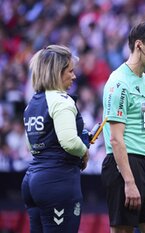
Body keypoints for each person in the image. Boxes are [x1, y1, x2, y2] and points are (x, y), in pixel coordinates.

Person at [101, 21, 145, 233]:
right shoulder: (118, 82)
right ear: (139, 45)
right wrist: (129, 181)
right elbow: (115, 139)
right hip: (124, 166)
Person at [21, 45, 89, 233]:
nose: (74, 76)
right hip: (58, 182)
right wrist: (84, 151)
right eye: (70, 71)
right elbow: (69, 142)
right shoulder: (62, 100)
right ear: (57, 73)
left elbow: (31, 145)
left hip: (32, 180)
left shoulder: (32, 104)